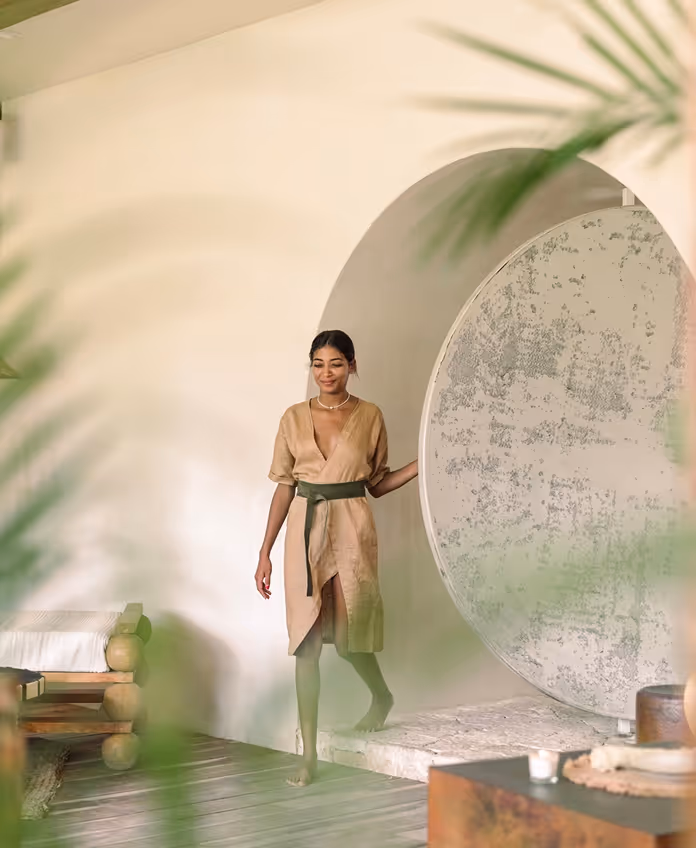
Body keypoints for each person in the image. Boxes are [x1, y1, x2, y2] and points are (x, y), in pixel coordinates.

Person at [255, 329, 418, 787]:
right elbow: (284, 486)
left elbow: (378, 483)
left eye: (336, 364)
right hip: (304, 532)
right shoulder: (291, 417)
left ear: (352, 365)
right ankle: (307, 757)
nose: (326, 373)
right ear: (311, 367)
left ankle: (381, 696)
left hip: (351, 526)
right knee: (305, 644)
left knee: (348, 639)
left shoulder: (370, 416)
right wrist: (264, 551)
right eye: (318, 364)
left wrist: (421, 463)